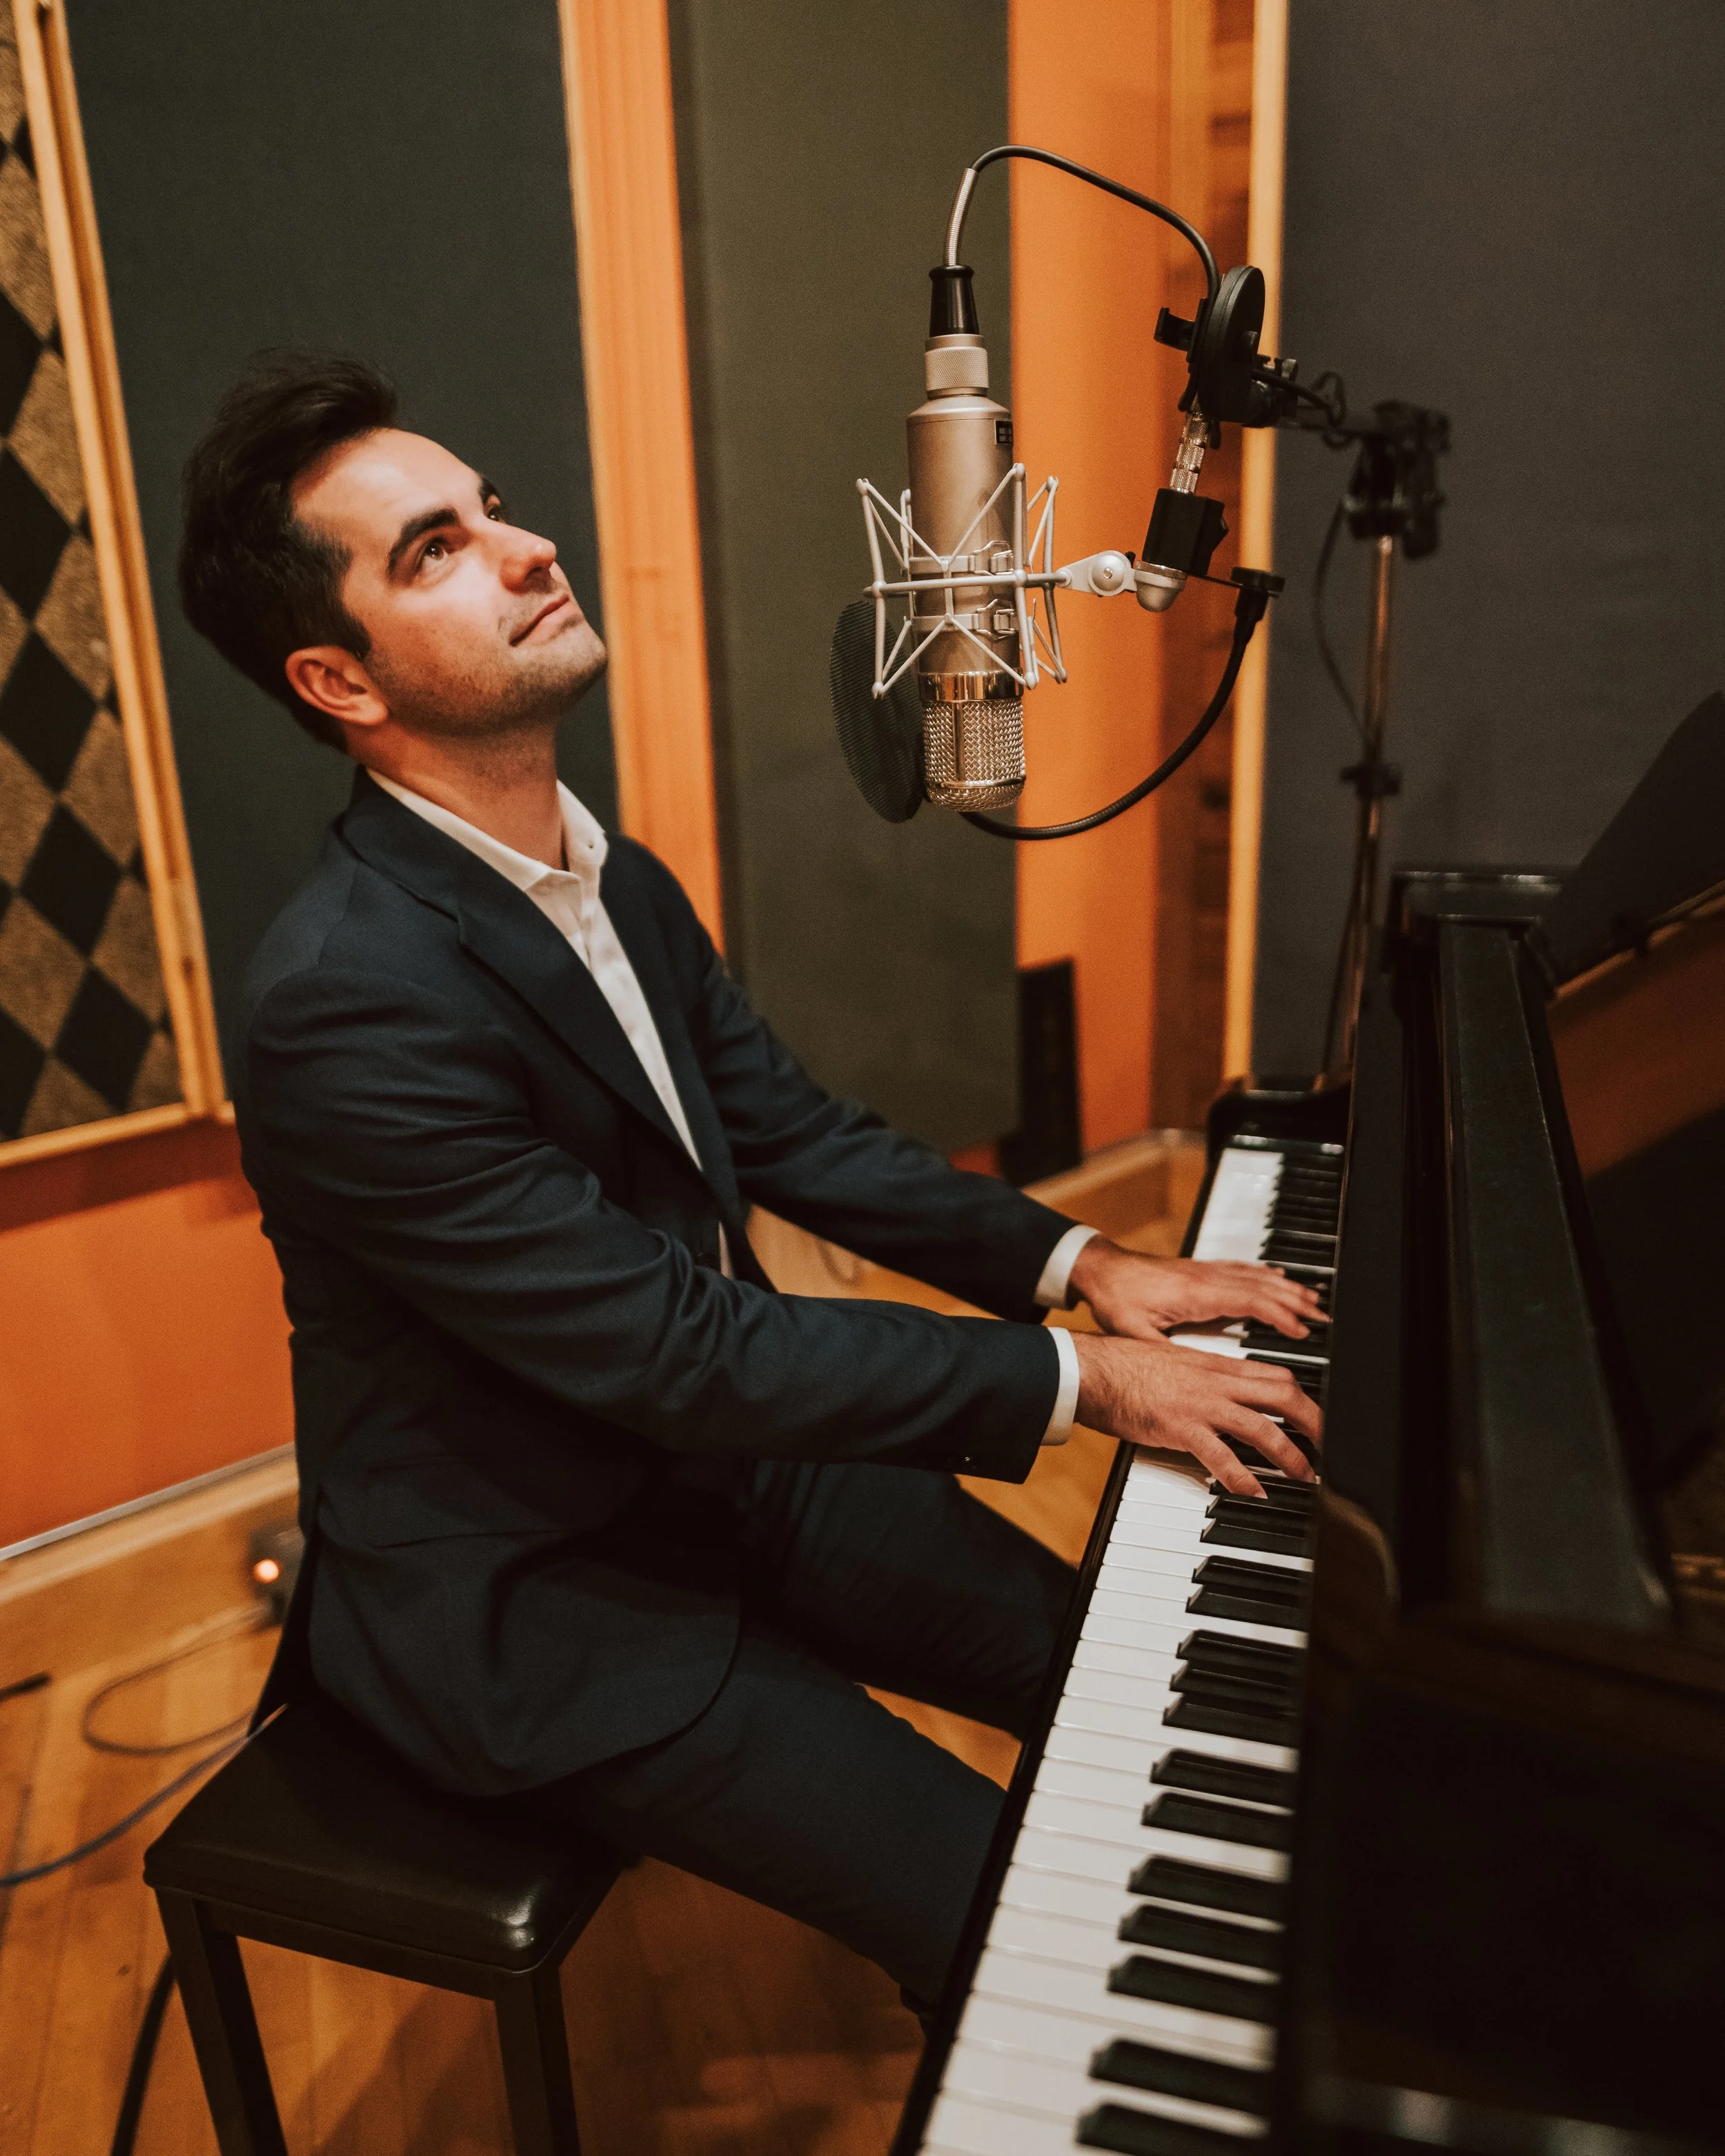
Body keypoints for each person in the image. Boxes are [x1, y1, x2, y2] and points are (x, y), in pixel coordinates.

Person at [181, 352, 1323, 2012]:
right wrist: (1087, 1383)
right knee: (1019, 1925)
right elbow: (673, 1345)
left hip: (729, 1468)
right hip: (541, 1586)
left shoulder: (602, 868)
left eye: (491, 506)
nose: (521, 546)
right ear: (337, 679)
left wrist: (1078, 1265)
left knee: (1142, 1674)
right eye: (431, 549)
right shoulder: (341, 999)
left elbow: (786, 1129)